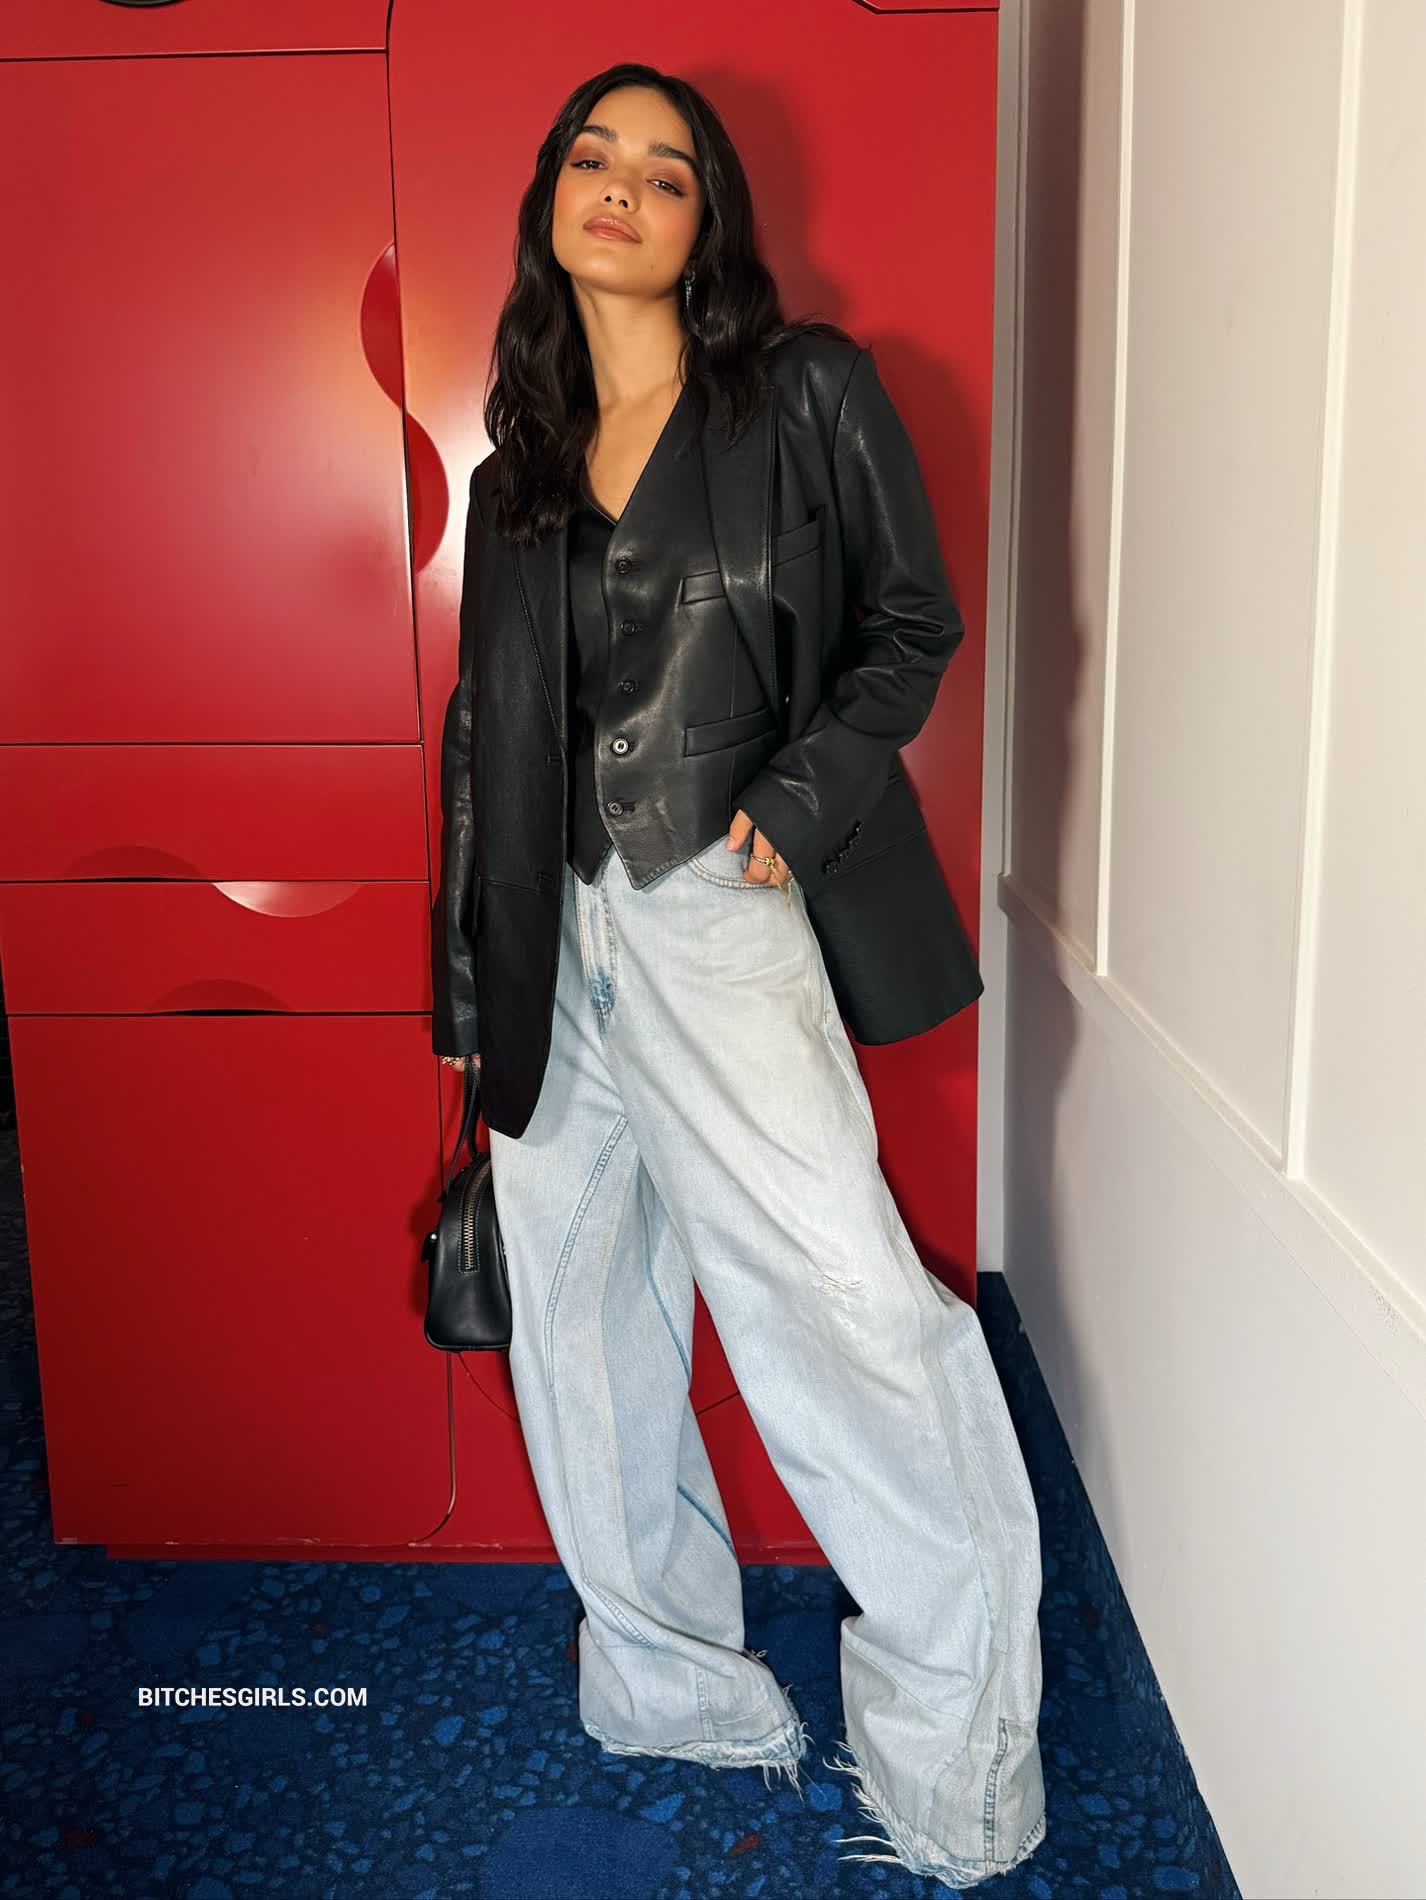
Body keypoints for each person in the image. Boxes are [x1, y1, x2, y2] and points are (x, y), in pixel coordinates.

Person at [431, 61, 1048, 1891]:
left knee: (848, 1314)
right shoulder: (511, 479)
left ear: (707, 226)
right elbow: (481, 747)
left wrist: (797, 793)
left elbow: (913, 621)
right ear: (550, 200)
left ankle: (956, 1775)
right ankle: (668, 1686)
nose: (620, 187)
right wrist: (470, 1008)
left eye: (665, 170)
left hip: (711, 911)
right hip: (546, 946)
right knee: (584, 1339)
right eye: (592, 157)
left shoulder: (802, 394)